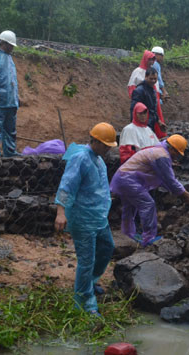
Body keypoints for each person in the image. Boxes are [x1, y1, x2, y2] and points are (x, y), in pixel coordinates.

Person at [54, 122, 118, 316]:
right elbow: (67, 185)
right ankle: (84, 303)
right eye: (106, 145)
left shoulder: (99, 159)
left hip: (98, 217)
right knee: (86, 260)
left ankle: (89, 282)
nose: (108, 149)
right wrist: (60, 212)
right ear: (95, 141)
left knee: (107, 248)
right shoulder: (80, 158)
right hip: (83, 218)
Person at [110, 135, 189, 247]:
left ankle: (128, 234)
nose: (177, 157)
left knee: (130, 207)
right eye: (177, 153)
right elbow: (169, 180)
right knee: (148, 204)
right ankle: (149, 238)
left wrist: (179, 192)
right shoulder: (161, 156)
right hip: (128, 180)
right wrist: (185, 194)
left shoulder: (158, 150)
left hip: (122, 178)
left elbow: (163, 179)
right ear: (172, 149)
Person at [131, 67, 167, 138]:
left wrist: (159, 122)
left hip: (151, 124)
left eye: (155, 79)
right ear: (146, 77)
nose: (153, 81)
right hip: (142, 125)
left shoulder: (153, 91)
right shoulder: (139, 91)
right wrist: (135, 126)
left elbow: (153, 110)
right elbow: (133, 110)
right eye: (151, 79)